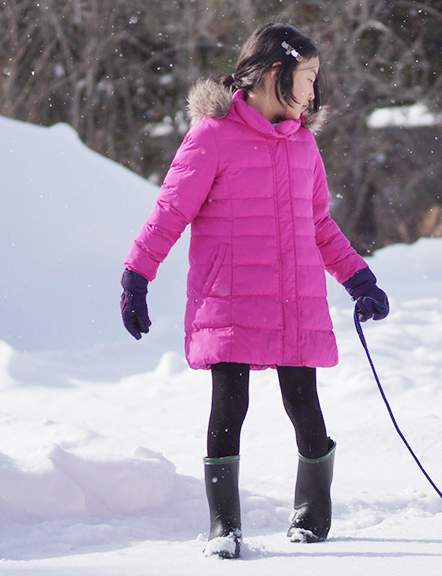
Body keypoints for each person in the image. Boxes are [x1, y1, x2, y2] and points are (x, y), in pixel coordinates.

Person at [119, 23, 390, 559]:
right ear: (275, 73)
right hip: (232, 298)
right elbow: (171, 210)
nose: (315, 93)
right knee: (230, 405)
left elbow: (320, 226)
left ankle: (312, 510)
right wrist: (137, 275)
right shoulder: (212, 136)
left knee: (303, 405)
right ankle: (225, 524)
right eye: (308, 79)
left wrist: (359, 278)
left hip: (294, 299)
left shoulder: (303, 146)